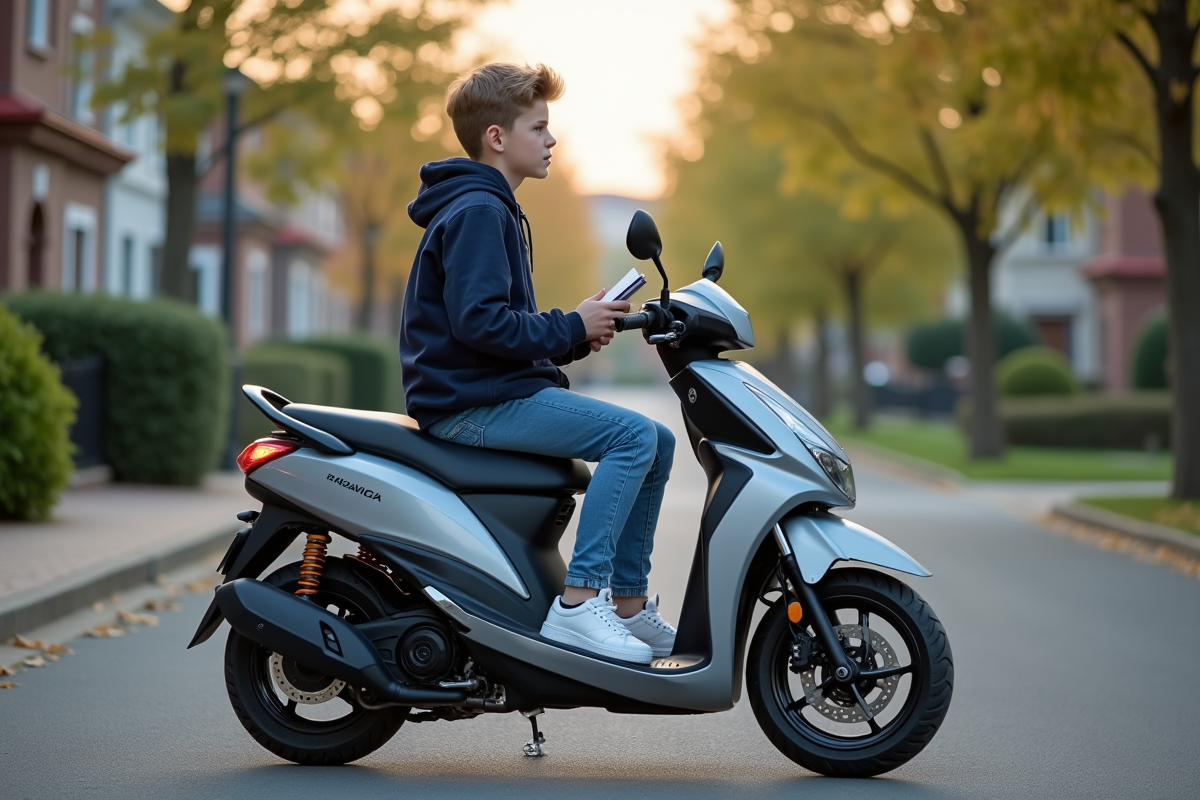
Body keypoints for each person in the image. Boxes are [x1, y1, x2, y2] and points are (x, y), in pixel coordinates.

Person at [399, 63, 676, 665]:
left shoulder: (489, 205)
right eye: (540, 127)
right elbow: (480, 324)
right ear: (497, 137)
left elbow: (493, 328)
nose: (552, 140)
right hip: (469, 404)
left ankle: (628, 604)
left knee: (656, 437)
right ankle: (579, 607)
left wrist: (578, 331)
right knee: (631, 435)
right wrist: (572, 324)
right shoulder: (480, 210)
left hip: (487, 389)